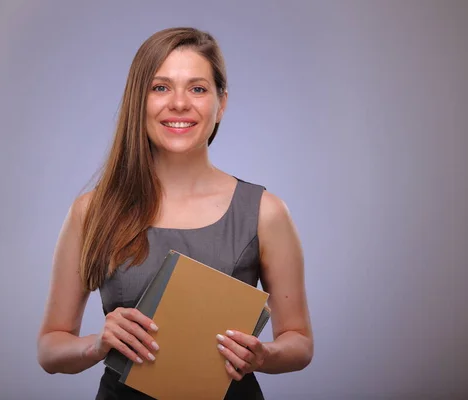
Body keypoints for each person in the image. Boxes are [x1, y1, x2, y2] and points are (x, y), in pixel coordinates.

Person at [37, 27, 313, 399]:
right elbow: (51, 348)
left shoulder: (266, 212)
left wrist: (263, 356)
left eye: (197, 89)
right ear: (139, 101)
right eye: (160, 87)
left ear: (222, 103)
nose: (179, 103)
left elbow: (298, 342)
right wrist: (96, 344)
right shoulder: (91, 211)